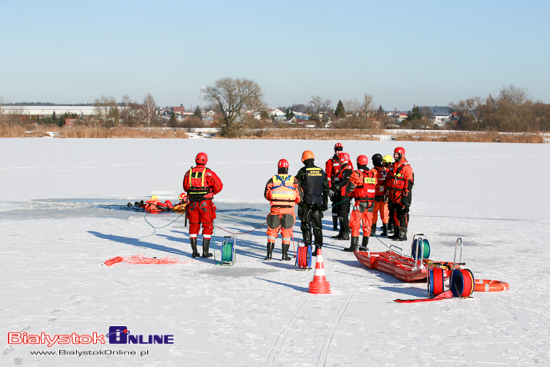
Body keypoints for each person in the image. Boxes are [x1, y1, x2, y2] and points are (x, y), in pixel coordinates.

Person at [183, 152, 223, 258]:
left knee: (193, 226)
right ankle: (205, 252)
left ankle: (194, 252)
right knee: (207, 226)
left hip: (192, 204)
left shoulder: (188, 173)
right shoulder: (209, 173)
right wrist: (210, 193)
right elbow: (219, 186)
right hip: (205, 204)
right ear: (206, 160)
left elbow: (185, 187)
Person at [264, 159, 302, 261]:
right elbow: (299, 197)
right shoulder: (294, 181)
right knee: (286, 233)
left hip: (275, 211)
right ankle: (284, 256)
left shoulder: (272, 180)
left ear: (278, 167)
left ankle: (269, 255)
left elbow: (266, 195)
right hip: (288, 211)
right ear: (287, 168)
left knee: (272, 232)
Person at [296, 150, 329, 256]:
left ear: (303, 159)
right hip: (318, 203)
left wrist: (299, 201)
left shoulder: (302, 171)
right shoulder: (320, 171)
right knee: (318, 226)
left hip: (306, 203)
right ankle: (318, 249)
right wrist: (325, 203)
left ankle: (308, 248)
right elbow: (326, 188)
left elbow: (296, 186)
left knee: (306, 226)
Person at [343, 155, 377, 252]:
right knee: (367, 224)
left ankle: (354, 246)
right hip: (371, 202)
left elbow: (350, 188)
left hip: (360, 202)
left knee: (355, 223)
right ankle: (364, 246)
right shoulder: (372, 174)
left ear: (358, 163)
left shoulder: (357, 174)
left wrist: (350, 194)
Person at [387, 147, 414, 241]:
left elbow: (409, 182)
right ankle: (396, 232)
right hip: (392, 194)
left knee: (402, 214)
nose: (395, 156)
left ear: (402, 154)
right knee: (393, 213)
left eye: (397, 154)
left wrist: (405, 196)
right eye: (394, 154)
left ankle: (403, 234)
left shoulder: (407, 167)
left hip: (401, 195)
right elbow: (389, 179)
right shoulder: (393, 166)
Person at [330, 152, 353, 240]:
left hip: (345, 195)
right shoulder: (341, 170)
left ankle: (346, 233)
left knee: (343, 214)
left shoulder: (347, 170)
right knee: (340, 214)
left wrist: (336, 188)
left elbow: (345, 182)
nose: (338, 161)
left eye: (340, 159)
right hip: (339, 194)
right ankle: (341, 232)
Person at [371, 153, 390, 237]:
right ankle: (385, 231)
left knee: (374, 213)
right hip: (385, 195)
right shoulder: (386, 169)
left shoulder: (373, 170)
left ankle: (373, 231)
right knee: (385, 213)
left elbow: (372, 182)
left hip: (375, 195)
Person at [326, 143, 343, 230]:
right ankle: (335, 225)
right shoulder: (330, 161)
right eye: (337, 150)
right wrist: (329, 188)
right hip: (334, 187)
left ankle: (343, 225)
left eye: (340, 149)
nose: (338, 152)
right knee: (335, 206)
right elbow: (328, 176)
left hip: (343, 187)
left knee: (343, 206)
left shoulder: (347, 160)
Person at [382, 154, 395, 234]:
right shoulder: (385, 170)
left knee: (392, 209)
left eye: (384, 162)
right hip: (387, 191)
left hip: (391, 193)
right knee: (388, 209)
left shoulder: (390, 170)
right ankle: (389, 224)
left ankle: (392, 225)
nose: (382, 164)